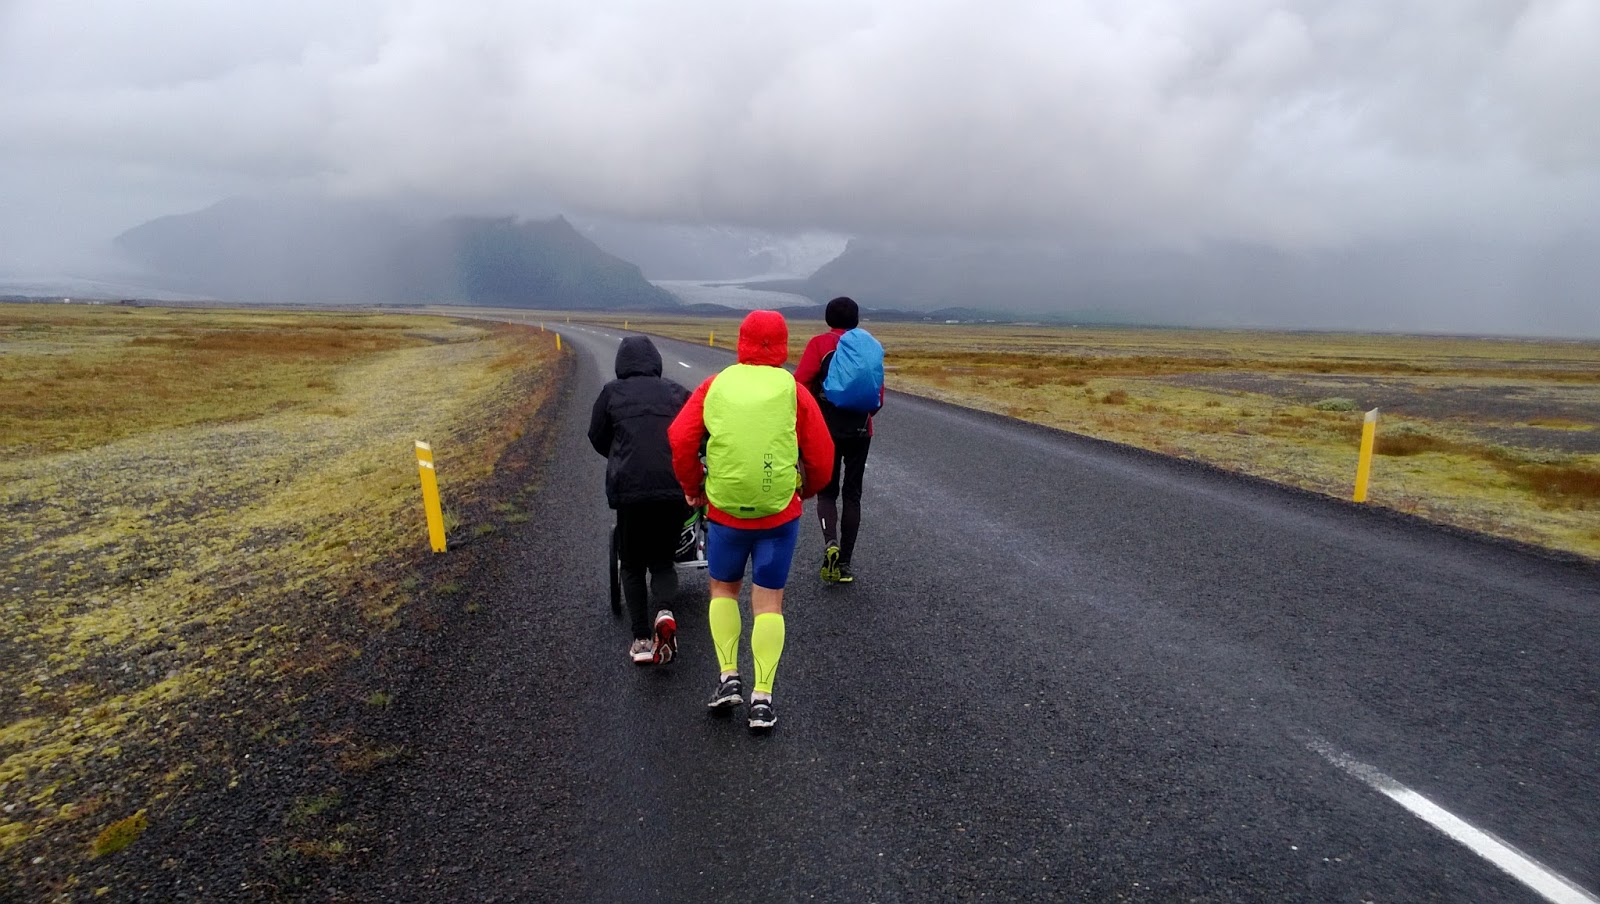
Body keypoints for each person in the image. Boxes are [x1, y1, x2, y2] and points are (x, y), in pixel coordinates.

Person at [668, 310, 834, 731]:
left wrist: (694, 485)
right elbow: (822, 453)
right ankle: (763, 699)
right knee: (769, 602)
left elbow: (681, 436)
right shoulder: (791, 389)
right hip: (779, 513)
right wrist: (807, 489)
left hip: (725, 513)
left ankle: (727, 678)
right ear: (782, 344)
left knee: (722, 591)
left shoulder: (715, 384)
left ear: (741, 341)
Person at [589, 336, 692, 665]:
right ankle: (664, 612)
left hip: (631, 492)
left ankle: (641, 639)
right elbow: (697, 430)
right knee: (662, 560)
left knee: (631, 563)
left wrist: (619, 455)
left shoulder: (611, 393)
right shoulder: (676, 392)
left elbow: (597, 435)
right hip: (673, 488)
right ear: (656, 362)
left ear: (621, 363)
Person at [793, 296, 882, 584]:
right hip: (860, 430)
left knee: (827, 493)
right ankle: (845, 564)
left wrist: (809, 419)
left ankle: (830, 542)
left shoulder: (819, 345)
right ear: (856, 320)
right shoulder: (868, 346)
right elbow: (877, 396)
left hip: (825, 432)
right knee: (853, 495)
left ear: (828, 319)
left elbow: (800, 385)